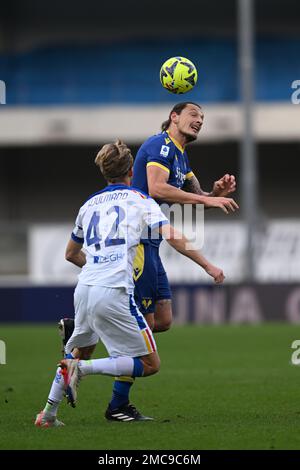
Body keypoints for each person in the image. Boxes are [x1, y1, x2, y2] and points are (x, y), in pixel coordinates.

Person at [35, 139, 225, 427]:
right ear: (131, 173)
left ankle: (48, 414)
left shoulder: (88, 205)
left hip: (84, 289)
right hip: (114, 292)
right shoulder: (140, 200)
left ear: (104, 172)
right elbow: (172, 236)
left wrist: (99, 266)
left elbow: (71, 254)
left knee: (79, 349)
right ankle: (82, 370)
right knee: (149, 364)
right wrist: (208, 265)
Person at [131, 101, 238, 333]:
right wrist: (207, 200)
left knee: (163, 320)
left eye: (202, 118)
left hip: (152, 240)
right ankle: (92, 339)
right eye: (193, 114)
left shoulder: (181, 157)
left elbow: (198, 198)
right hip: (136, 240)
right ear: (174, 117)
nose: (199, 120)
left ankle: (91, 329)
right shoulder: (161, 144)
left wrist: (215, 193)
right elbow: (157, 188)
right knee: (144, 329)